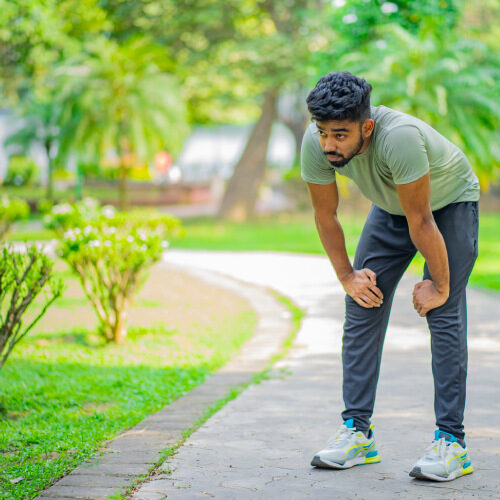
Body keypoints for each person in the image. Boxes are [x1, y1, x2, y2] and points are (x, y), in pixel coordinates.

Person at [301, 71, 479, 482]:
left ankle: (453, 442)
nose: (329, 144)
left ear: (367, 127)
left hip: (447, 205)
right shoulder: (316, 142)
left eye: (341, 135)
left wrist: (440, 285)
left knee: (443, 311)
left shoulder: (398, 138)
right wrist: (347, 276)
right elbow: (325, 216)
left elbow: (421, 220)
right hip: (392, 208)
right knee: (362, 301)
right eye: (324, 132)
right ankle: (356, 432)